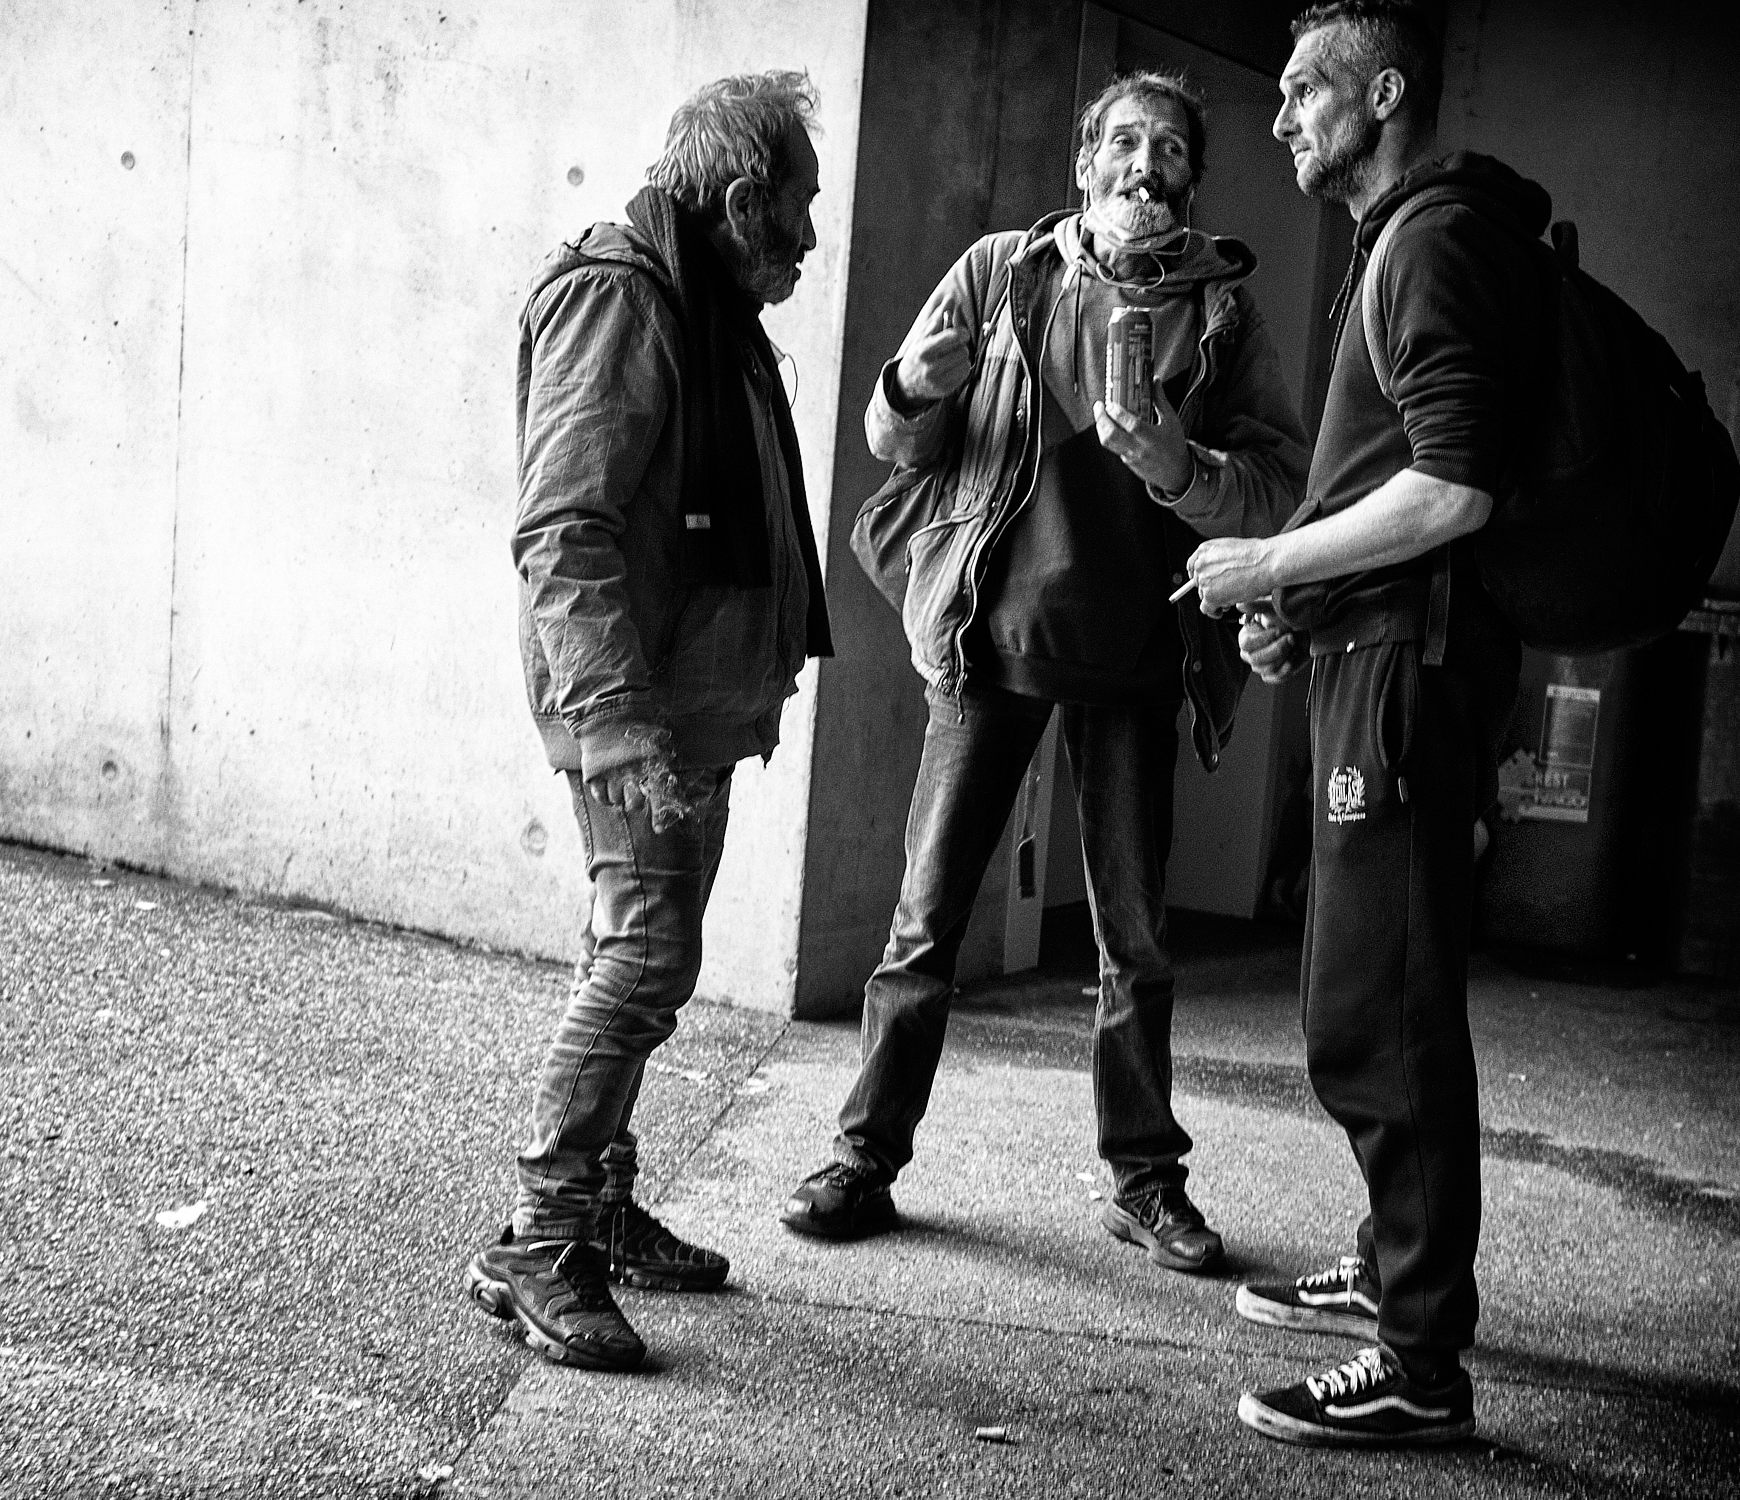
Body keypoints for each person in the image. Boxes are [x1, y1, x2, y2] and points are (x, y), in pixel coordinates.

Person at [780, 72, 1308, 1274]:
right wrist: (912, 385)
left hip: (1133, 651)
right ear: (1083, 162)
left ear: (1191, 178)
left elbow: (1276, 486)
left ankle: (1144, 1180)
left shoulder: (1221, 312)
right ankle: (864, 1156)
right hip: (988, 635)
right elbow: (895, 435)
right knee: (925, 919)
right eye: (1123, 141)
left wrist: (1180, 468)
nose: (1145, 164)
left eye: (1170, 149)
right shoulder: (1001, 270)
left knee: (1135, 937)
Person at [1187, 0, 1547, 1446]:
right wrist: (1304, 609)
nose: (1278, 119)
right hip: (1377, 654)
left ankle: (1418, 1361)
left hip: (1409, 674)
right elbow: (1392, 485)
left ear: (1382, 94)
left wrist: (1270, 565)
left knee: (1376, 1010)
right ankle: (1394, 1263)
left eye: (1302, 93)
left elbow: (1456, 492)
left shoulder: (1433, 241)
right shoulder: (1397, 238)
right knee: (1372, 991)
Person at [468, 71, 833, 1373]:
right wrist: (618, 723)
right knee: (646, 958)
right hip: (633, 701)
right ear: (741, 201)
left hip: (685, 695)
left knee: (633, 945)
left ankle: (600, 1208)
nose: (805, 240)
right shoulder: (623, 296)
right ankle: (538, 1236)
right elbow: (561, 530)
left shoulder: (698, 298)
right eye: (797, 212)